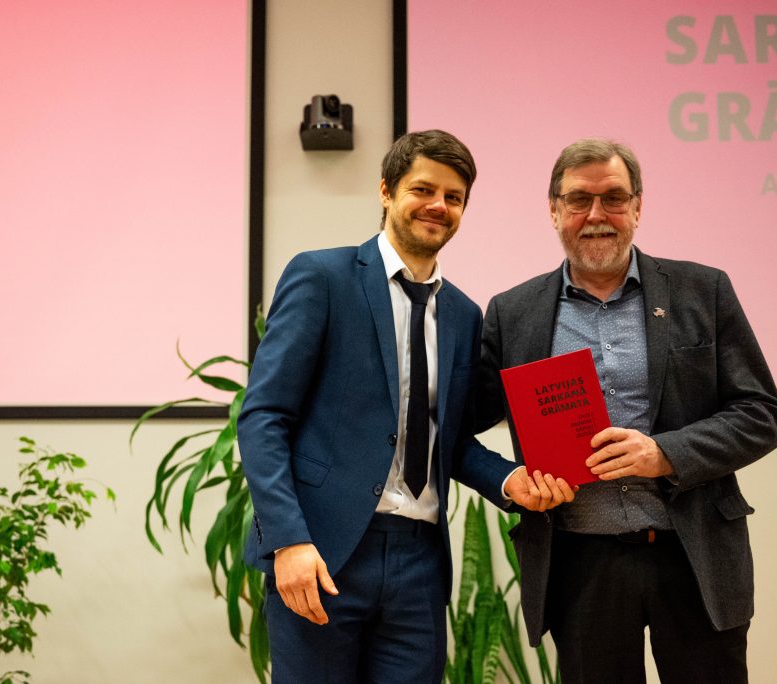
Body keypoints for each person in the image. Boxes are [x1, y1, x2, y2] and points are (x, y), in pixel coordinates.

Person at [237, 129, 574, 683]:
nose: (438, 205)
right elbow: (263, 417)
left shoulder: (464, 314)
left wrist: (510, 480)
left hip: (419, 564)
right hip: (322, 551)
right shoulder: (322, 277)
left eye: (454, 197)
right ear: (386, 191)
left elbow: (449, 439)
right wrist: (289, 540)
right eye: (423, 189)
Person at [477, 137, 777, 683]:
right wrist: (508, 480)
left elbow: (760, 414)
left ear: (638, 207)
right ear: (554, 210)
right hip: (580, 563)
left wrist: (665, 453)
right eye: (579, 199)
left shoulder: (703, 290)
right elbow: (460, 422)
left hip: (694, 555)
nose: (597, 215)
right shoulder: (512, 312)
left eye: (614, 198)